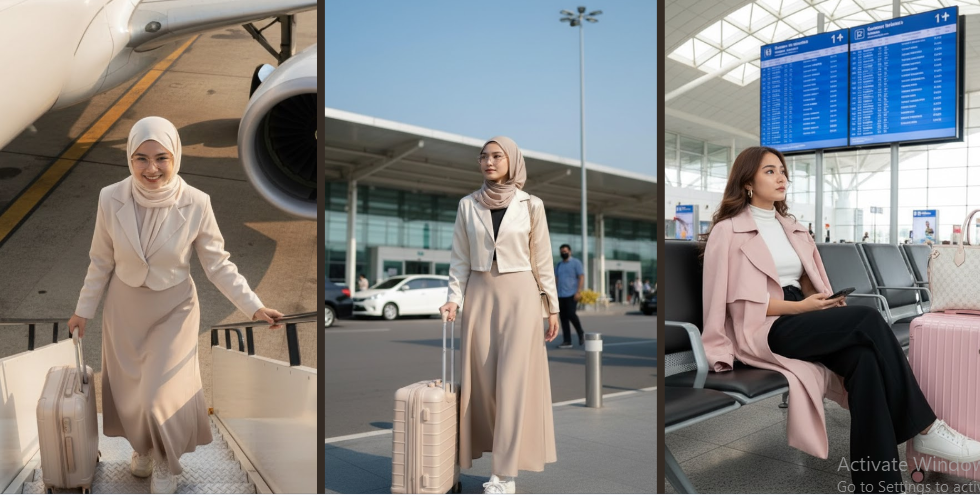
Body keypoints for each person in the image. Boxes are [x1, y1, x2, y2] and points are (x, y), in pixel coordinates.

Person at [700, 146, 980, 494]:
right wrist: (802, 309)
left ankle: (879, 486)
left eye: (783, 171)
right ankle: (925, 428)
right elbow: (726, 301)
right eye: (770, 171)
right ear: (747, 183)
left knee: (865, 363)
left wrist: (825, 303)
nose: (781, 177)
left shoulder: (792, 228)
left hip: (801, 316)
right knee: (866, 318)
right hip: (762, 327)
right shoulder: (727, 231)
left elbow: (805, 282)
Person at [67, 117, 283, 494]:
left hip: (175, 309)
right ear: (130, 160)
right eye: (141, 158)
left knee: (157, 395)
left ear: (176, 156)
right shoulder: (110, 197)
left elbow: (218, 264)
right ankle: (142, 450)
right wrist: (83, 309)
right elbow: (101, 260)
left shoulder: (197, 203)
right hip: (125, 309)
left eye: (161, 158)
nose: (151, 169)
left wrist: (254, 306)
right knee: (132, 395)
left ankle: (168, 463)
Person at [438, 136, 559, 494]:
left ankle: (503, 474)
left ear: (512, 160)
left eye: (496, 156)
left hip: (521, 296)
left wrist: (551, 306)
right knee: (482, 385)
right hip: (480, 295)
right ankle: (476, 457)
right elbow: (458, 259)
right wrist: (453, 299)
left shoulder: (531, 205)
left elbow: (542, 260)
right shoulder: (467, 205)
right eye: (483, 157)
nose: (488, 162)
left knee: (512, 383)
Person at [554, 244, 586, 349]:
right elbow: (556, 279)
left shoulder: (576, 263)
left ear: (570, 252)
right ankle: (567, 341)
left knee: (571, 314)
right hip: (561, 294)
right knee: (563, 318)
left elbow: (581, 277)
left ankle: (581, 332)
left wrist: (578, 291)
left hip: (572, 294)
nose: (563, 253)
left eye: (565, 251)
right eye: (562, 251)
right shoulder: (559, 265)